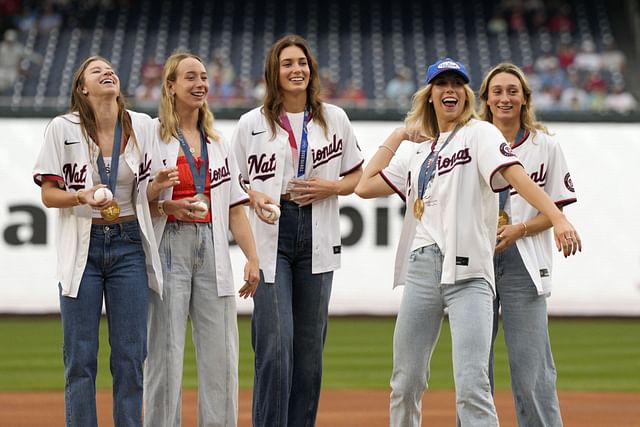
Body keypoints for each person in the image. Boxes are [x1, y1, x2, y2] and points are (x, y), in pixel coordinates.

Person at [355, 57, 581, 427]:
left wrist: (557, 218)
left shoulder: (480, 133)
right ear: (429, 95)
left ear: (466, 95)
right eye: (441, 84)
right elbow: (365, 186)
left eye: (457, 84)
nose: (450, 90)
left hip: (472, 271)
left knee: (473, 383)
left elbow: (517, 176)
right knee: (406, 381)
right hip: (424, 268)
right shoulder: (417, 151)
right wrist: (398, 136)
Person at [32, 55, 173, 427]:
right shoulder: (62, 128)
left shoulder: (141, 125)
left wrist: (160, 188)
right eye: (97, 70)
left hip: (128, 243)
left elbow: (151, 193)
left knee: (129, 357)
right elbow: (48, 194)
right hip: (84, 245)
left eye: (111, 68)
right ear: (82, 88)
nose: (108, 71)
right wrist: (80, 195)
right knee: (80, 359)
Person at [231, 34, 364, 426]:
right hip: (272, 231)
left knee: (308, 353)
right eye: (287, 63)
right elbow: (230, 181)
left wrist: (332, 187)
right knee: (275, 346)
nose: (296, 70)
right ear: (274, 72)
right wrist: (252, 194)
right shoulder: (251, 124)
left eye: (302, 63)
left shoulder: (334, 118)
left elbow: (356, 174)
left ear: (312, 70)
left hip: (317, 232)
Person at [143, 52, 260, 427]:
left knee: (222, 356)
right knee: (164, 354)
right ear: (171, 86)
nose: (199, 84)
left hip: (213, 247)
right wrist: (163, 201)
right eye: (189, 77)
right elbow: (133, 200)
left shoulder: (218, 142)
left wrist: (252, 257)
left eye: (204, 77)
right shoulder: (151, 136)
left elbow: (236, 209)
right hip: (169, 245)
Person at [479, 62, 578, 426]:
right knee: (473, 370)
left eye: (512, 91)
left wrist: (519, 229)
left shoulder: (545, 146)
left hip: (525, 261)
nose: (504, 98)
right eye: (497, 91)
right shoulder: (469, 141)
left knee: (532, 368)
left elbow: (556, 212)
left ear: (524, 99)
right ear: (486, 99)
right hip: (476, 260)